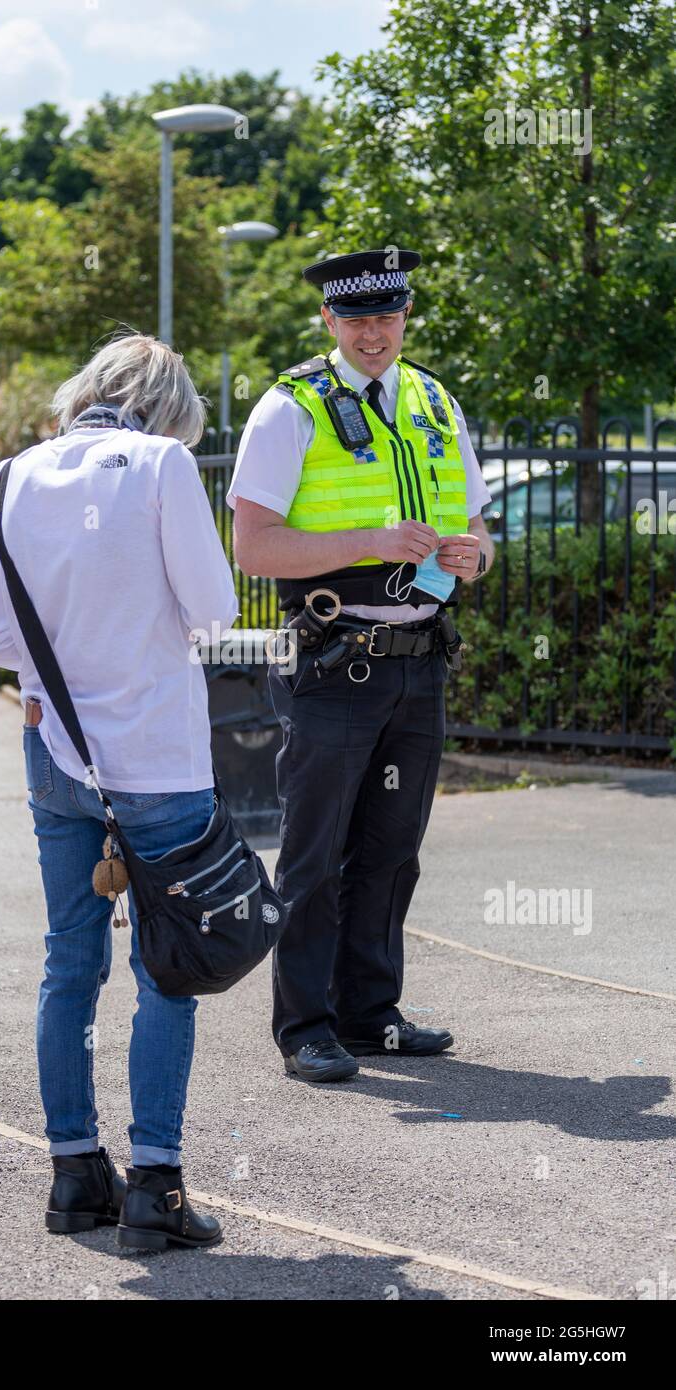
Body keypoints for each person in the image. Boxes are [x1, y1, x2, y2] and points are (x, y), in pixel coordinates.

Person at [0, 333, 239, 1248]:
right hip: (156, 758)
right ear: (167, 410)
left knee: (68, 962)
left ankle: (75, 1175)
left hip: (56, 756)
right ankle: (156, 1184)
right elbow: (214, 609)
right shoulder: (160, 465)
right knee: (167, 971)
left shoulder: (11, 476)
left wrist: (62, 669)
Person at [228, 248, 495, 1083]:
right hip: (334, 661)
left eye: (387, 316)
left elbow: (480, 527)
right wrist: (371, 542)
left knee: (391, 850)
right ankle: (304, 1025)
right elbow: (253, 544)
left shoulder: (433, 399)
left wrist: (475, 559)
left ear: (406, 316)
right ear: (329, 322)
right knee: (314, 853)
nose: (373, 332)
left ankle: (370, 1014)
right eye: (356, 318)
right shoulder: (290, 406)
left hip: (421, 657)